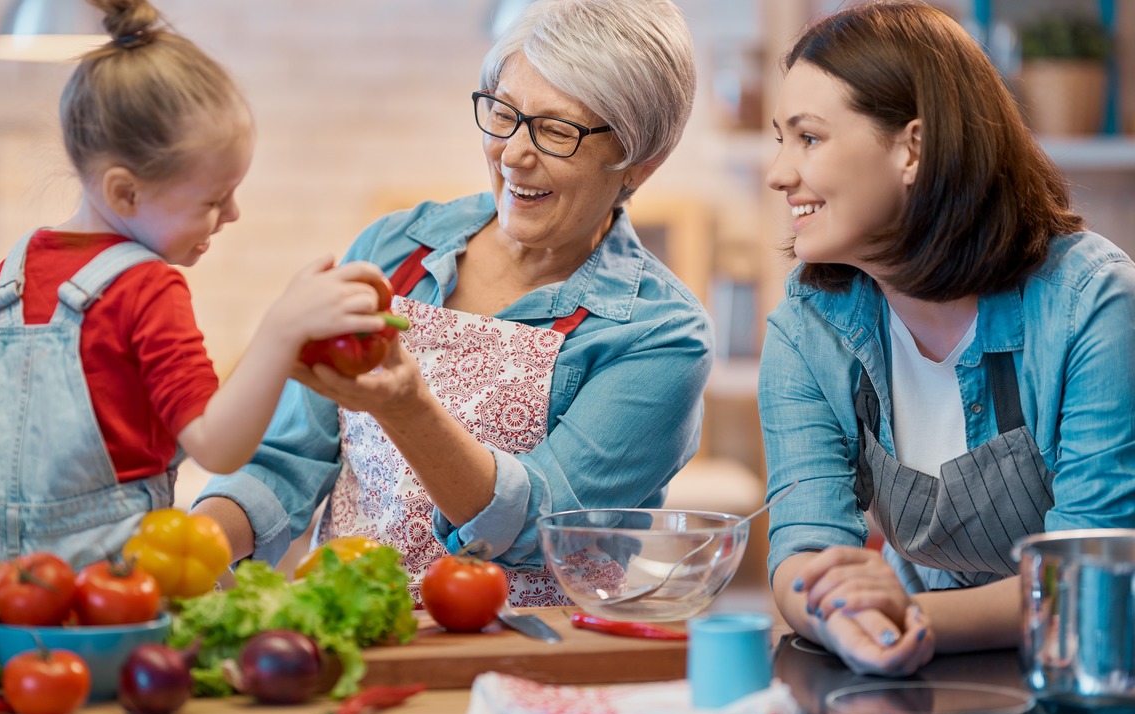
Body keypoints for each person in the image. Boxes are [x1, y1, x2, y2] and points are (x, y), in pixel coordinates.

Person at [192, 0, 710, 606]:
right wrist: (182, 547)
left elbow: (546, 527)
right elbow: (283, 463)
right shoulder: (394, 250)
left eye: (556, 130)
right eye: (504, 113)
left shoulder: (660, 333)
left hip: (537, 653)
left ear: (638, 164)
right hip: (356, 632)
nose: (514, 154)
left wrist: (408, 409)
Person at [0, 0, 388, 583]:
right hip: (102, 592)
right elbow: (216, 446)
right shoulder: (148, 287)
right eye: (213, 200)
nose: (233, 214)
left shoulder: (11, 275)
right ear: (125, 193)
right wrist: (280, 330)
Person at [760, 0, 1135, 676]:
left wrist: (914, 616)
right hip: (914, 672)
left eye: (808, 138)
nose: (779, 173)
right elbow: (802, 547)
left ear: (914, 148)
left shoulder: (1091, 303)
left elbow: (1090, 577)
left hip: (1084, 677)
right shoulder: (806, 328)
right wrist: (847, 622)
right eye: (778, 140)